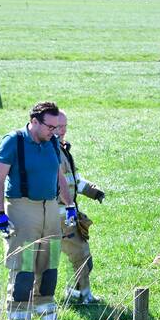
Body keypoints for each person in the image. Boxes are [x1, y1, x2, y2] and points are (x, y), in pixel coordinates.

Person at [0, 101, 76, 320]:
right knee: (24, 264)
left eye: (57, 127)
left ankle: (46, 311)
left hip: (49, 208)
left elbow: (59, 176)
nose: (56, 131)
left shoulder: (51, 143)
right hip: (22, 207)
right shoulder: (14, 141)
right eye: (51, 127)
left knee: (50, 263)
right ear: (34, 122)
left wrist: (70, 205)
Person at [53, 111, 106, 304]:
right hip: (57, 218)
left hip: (67, 216)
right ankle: (81, 296)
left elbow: (73, 179)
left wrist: (93, 191)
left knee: (81, 257)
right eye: (59, 126)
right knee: (79, 255)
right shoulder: (49, 151)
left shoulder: (62, 149)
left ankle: (78, 294)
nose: (63, 130)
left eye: (65, 125)